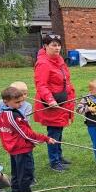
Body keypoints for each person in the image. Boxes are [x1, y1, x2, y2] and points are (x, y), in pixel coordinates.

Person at [0, 87, 56, 192]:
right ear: (6, 101)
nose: (21, 104)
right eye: (17, 102)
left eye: (21, 101)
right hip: (21, 149)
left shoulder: (3, 113)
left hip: (14, 148)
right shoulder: (12, 116)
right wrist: (46, 138)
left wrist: (5, 133)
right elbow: (26, 134)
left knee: (16, 173)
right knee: (25, 174)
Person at [33, 34, 75, 172]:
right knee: (53, 133)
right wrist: (50, 100)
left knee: (59, 131)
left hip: (62, 103)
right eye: (53, 45)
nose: (57, 48)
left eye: (58, 45)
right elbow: (41, 85)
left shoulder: (59, 60)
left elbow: (65, 80)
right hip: (51, 105)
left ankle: (59, 156)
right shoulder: (43, 63)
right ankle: (54, 162)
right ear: (45, 46)